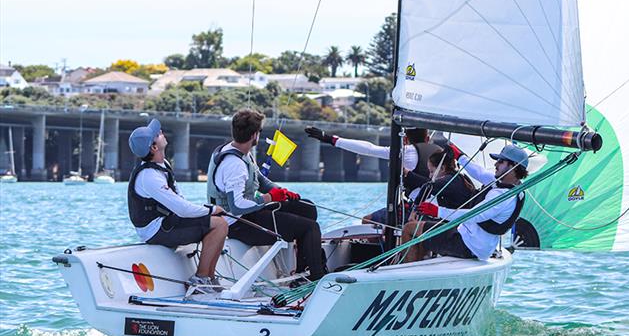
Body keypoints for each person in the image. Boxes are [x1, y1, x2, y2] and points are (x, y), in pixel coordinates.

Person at [208, 109, 326, 281]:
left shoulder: (238, 150)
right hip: (238, 223)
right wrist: (270, 198)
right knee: (310, 227)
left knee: (307, 208)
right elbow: (237, 205)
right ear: (255, 135)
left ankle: (302, 270)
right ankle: (317, 279)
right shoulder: (234, 165)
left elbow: (259, 179)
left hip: (249, 213)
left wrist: (281, 191)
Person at [127, 119, 228, 293]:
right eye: (157, 134)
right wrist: (212, 210)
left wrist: (205, 213)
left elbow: (179, 199)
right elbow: (182, 209)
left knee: (217, 221)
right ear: (154, 147)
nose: (161, 133)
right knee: (220, 225)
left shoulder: (163, 165)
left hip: (167, 222)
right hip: (155, 231)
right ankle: (200, 279)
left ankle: (209, 278)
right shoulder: (149, 176)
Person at [400, 144, 529, 263]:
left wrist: (437, 211)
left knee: (409, 229)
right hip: (477, 241)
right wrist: (460, 157)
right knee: (425, 228)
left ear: (513, 167)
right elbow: (480, 172)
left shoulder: (502, 197)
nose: (495, 164)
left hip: (468, 245)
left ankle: (405, 276)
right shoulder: (512, 187)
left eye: (501, 161)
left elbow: (473, 215)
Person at [304, 126, 441, 224]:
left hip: (415, 209)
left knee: (367, 220)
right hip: (440, 207)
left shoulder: (406, 151)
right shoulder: (442, 153)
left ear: (405, 139)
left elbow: (369, 149)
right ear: (428, 138)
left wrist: (331, 139)